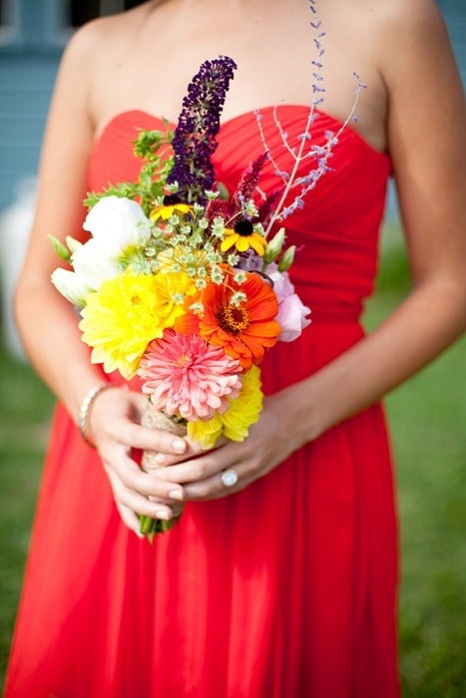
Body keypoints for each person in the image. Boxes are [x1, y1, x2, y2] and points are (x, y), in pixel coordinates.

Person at [4, 0, 466, 696]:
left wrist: (294, 419)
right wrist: (95, 407)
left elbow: (452, 282)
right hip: (126, 459)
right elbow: (38, 286)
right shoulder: (98, 47)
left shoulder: (389, 21)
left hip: (306, 441)